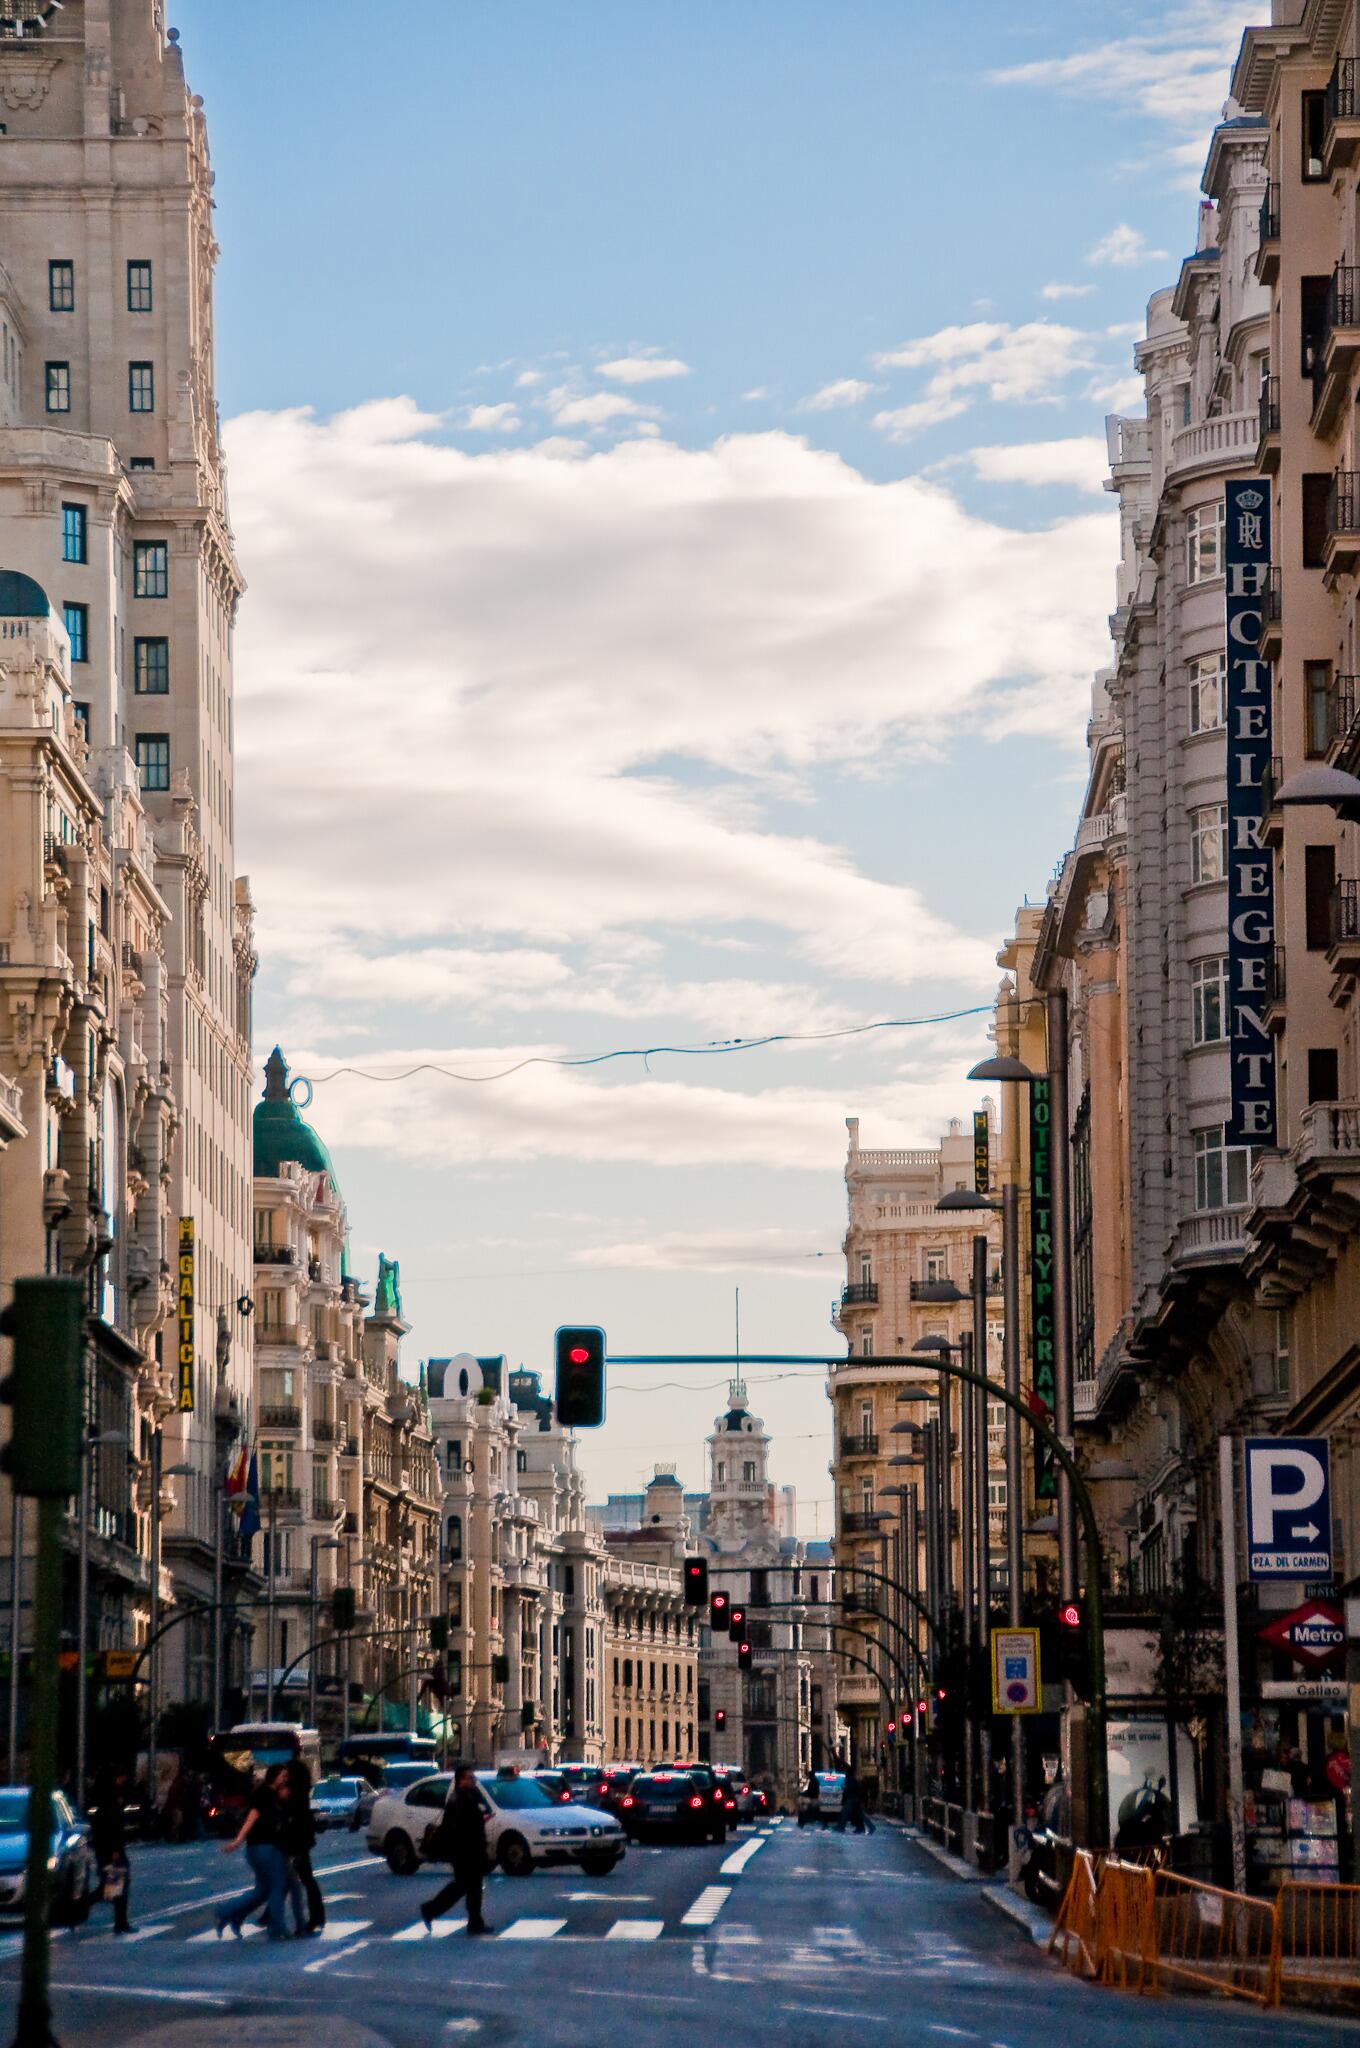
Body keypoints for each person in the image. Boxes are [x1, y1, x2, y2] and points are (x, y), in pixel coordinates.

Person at [215, 1772, 291, 1940]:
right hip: (266, 1847)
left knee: (262, 1890)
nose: (286, 1781)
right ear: (274, 1777)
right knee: (277, 1886)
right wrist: (237, 1841)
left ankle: (232, 1914)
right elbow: (252, 1816)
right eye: (283, 1776)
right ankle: (276, 1928)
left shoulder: (272, 1796)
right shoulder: (266, 1794)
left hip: (259, 1848)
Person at [419, 1764, 493, 1936]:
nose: (473, 1781)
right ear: (460, 1781)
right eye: (470, 1778)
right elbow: (458, 1828)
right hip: (464, 1851)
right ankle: (431, 1910)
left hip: (469, 1850)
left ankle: (474, 1922)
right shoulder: (459, 1800)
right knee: (465, 1886)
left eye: (474, 1777)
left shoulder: (468, 1796)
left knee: (470, 1886)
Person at [272, 1761, 324, 1934]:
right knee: (301, 1879)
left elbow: (292, 1819)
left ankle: (312, 1917)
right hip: (301, 1840)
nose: (285, 1777)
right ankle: (315, 1916)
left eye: (287, 1774)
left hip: (296, 1841)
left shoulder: (294, 1796)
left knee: (297, 1878)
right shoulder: (302, 1792)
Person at [89, 1766, 132, 1935]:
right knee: (118, 1885)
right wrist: (115, 1849)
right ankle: (120, 1922)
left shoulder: (104, 1797)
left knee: (110, 1886)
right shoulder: (111, 1799)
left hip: (106, 1849)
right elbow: (113, 1826)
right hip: (113, 1850)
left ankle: (120, 1922)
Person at [839, 1766, 875, 1835]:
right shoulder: (853, 1779)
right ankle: (870, 1827)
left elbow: (848, 1790)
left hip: (851, 1799)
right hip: (855, 1799)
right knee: (860, 1814)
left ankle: (841, 1827)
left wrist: (844, 1790)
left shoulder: (850, 1780)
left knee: (845, 1812)